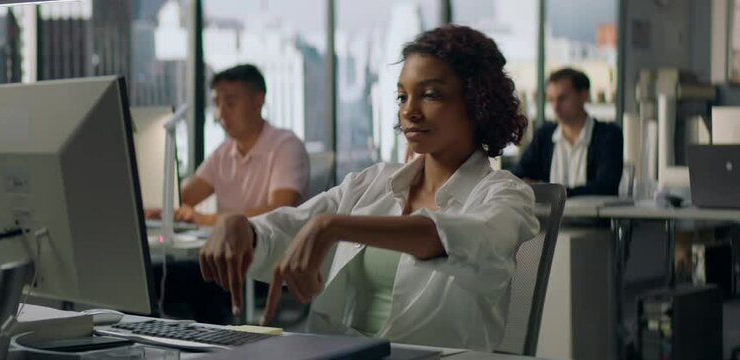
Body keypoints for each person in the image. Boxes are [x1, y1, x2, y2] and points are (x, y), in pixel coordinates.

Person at [197, 25, 540, 350]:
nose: (410, 111)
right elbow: (289, 226)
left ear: (477, 101)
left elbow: (454, 238)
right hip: (340, 352)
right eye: (403, 97)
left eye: (431, 95)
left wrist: (332, 227)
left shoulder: (506, 196)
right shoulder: (372, 183)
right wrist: (240, 226)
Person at [145, 64, 309, 226]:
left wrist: (206, 219)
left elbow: (279, 212)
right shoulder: (223, 152)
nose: (221, 114)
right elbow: (182, 199)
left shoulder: (286, 146)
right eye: (217, 104)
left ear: (258, 101)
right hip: (230, 250)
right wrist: (154, 209)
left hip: (276, 250)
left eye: (230, 104)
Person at [510, 68, 623, 196]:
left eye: (562, 98)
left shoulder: (608, 136)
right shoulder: (544, 136)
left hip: (592, 215)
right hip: (546, 216)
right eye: (551, 100)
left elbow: (606, 186)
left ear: (583, 96)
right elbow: (517, 176)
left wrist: (553, 193)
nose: (555, 107)